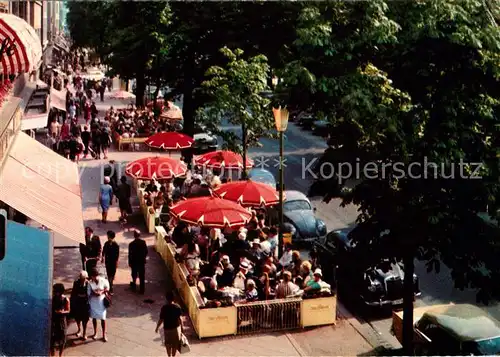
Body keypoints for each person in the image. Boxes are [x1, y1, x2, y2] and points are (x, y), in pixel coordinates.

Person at [155, 292, 183, 357]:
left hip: (167, 329)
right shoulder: (177, 307)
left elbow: (161, 319)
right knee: (175, 344)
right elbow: (180, 319)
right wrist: (182, 329)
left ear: (166, 299)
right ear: (174, 298)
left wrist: (157, 327)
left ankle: (169, 356)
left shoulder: (164, 308)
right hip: (175, 329)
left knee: (168, 344)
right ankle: (173, 356)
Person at [88, 268, 110, 342]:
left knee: (103, 318)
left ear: (96, 275)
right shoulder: (90, 283)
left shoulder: (103, 280)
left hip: (101, 302)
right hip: (93, 302)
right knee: (94, 318)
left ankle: (104, 334)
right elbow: (88, 293)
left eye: (94, 276)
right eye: (92, 277)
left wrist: (102, 291)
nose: (93, 278)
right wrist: (94, 293)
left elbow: (107, 288)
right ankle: (95, 333)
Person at [51, 283, 70, 357]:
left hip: (62, 321)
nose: (54, 292)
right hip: (54, 321)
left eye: (56, 291)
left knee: (62, 339)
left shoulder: (65, 299)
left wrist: (62, 312)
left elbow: (68, 310)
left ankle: (60, 355)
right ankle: (52, 353)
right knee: (52, 339)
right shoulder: (53, 298)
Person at [70, 271, 90, 340]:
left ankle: (84, 333)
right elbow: (73, 293)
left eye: (84, 278)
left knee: (85, 319)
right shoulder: (76, 283)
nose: (83, 279)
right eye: (82, 278)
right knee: (78, 318)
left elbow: (89, 294)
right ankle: (79, 329)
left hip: (85, 304)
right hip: (78, 303)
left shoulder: (88, 283)